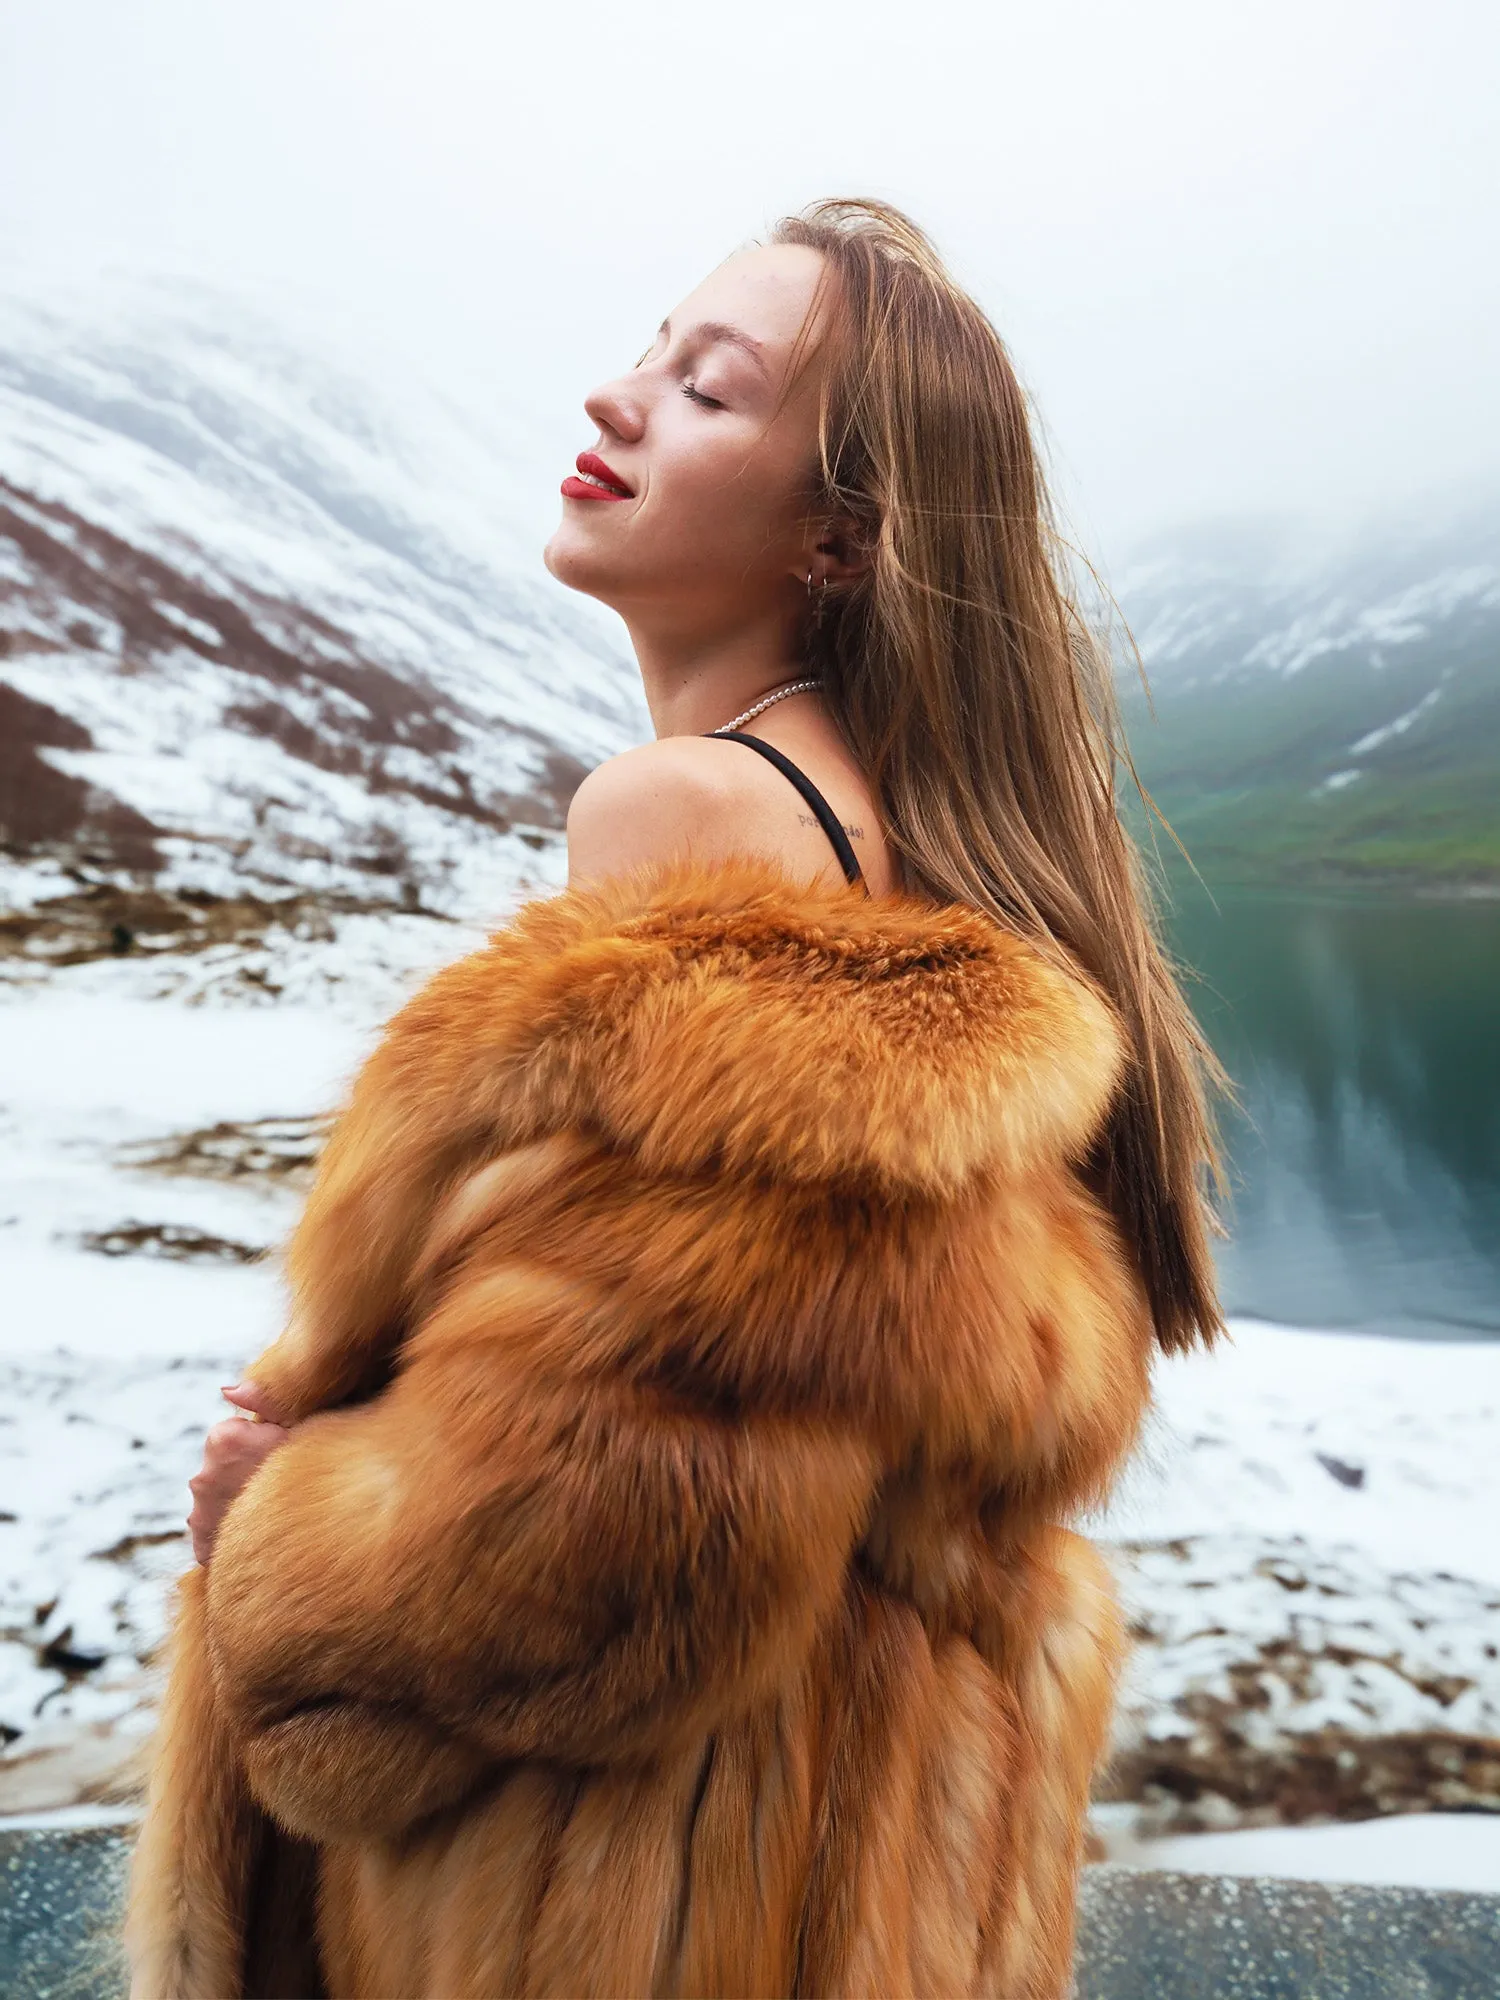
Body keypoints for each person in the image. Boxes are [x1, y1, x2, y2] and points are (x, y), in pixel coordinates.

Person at [127, 198, 1223, 2000]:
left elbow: (617, 1531)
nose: (620, 399)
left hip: (626, 1903)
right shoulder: (885, 847)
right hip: (835, 1889)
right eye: (648, 350)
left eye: (706, 390)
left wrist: (278, 1528)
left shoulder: (697, 811)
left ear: (843, 538)